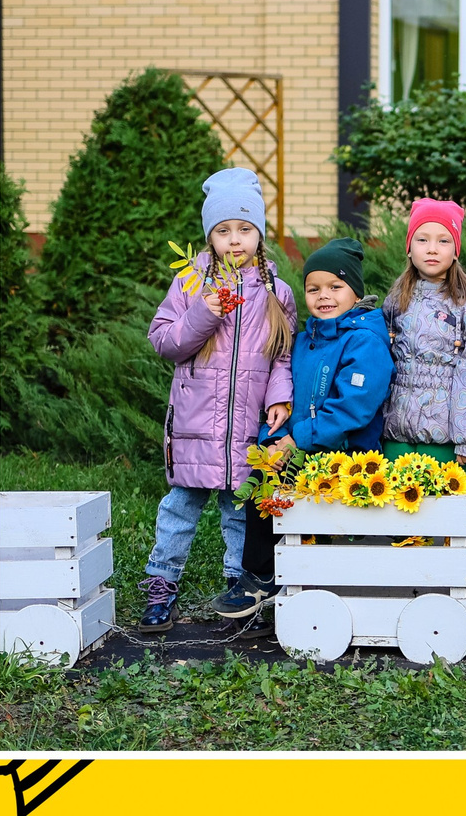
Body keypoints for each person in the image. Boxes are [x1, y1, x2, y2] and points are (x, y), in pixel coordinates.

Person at [139, 168, 295, 631]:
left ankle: (238, 591)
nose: (234, 240)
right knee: (179, 510)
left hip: (247, 428)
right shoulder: (191, 284)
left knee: (240, 513)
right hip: (194, 425)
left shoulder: (276, 292)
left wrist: (280, 398)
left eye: (245, 229)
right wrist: (204, 312)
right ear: (209, 235)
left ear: (259, 235)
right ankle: (161, 586)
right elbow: (165, 341)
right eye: (223, 230)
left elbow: (281, 356)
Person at [379, 199, 466, 465]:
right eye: (422, 240)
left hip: (445, 439)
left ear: (456, 250)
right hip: (395, 432)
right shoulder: (395, 301)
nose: (432, 249)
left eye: (443, 241)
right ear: (409, 248)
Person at [275, 236, 393, 459]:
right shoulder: (300, 342)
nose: (324, 295)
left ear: (357, 294)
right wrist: (274, 439)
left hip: (349, 466)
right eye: (313, 289)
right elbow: (280, 396)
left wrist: (298, 438)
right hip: (297, 463)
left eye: (335, 286)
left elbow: (353, 407)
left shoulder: (366, 343)